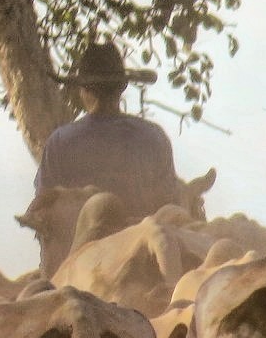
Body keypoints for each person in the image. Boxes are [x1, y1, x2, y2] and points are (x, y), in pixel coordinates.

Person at [34, 41, 179, 219]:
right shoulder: (154, 137)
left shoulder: (60, 142)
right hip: (147, 240)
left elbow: (43, 210)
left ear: (83, 90)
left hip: (81, 245)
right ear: (123, 87)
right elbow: (171, 205)